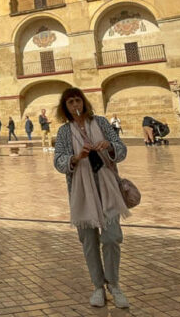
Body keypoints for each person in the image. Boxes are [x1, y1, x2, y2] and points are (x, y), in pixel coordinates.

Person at [53, 87, 130, 309]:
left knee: (112, 237)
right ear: (65, 108)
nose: (75, 106)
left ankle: (114, 285)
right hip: (81, 193)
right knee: (88, 242)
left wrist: (110, 146)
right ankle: (98, 287)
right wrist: (76, 157)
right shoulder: (65, 132)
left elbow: (121, 150)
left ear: (84, 102)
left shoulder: (102, 123)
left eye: (78, 101)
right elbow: (58, 161)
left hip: (108, 189)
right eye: (70, 103)